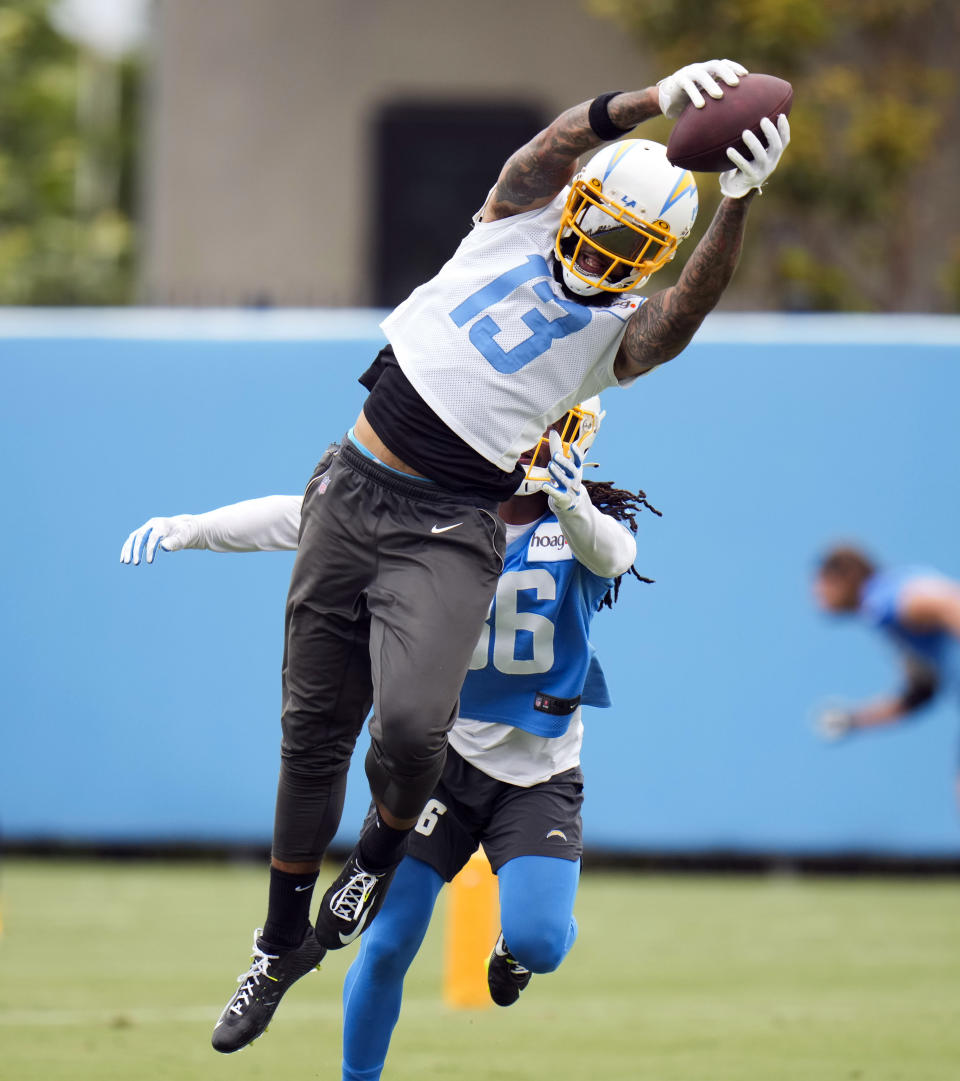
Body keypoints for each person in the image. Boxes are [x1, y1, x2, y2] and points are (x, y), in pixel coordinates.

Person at [128, 56, 790, 1053]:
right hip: (354, 481)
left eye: (631, 249)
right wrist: (653, 99)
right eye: (604, 226)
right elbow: (549, 147)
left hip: (450, 530)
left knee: (404, 728)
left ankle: (374, 859)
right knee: (311, 735)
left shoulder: (608, 343)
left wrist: (735, 206)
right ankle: (276, 944)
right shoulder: (512, 222)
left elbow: (676, 326)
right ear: (577, 205)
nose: (607, 255)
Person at [121, 402, 655, 1077]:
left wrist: (573, 505)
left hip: (538, 773)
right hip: (440, 763)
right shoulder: (436, 504)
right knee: (385, 944)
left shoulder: (578, 525)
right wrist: (190, 527)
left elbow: (616, 552)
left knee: (541, 940)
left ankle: (516, 948)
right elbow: (303, 516)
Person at [812, 546, 960, 776]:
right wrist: (854, 721)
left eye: (821, 584)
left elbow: (948, 603)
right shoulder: (887, 612)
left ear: (845, 576)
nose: (816, 594)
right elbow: (920, 692)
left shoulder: (883, 597)